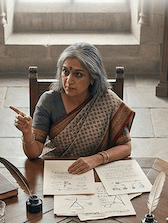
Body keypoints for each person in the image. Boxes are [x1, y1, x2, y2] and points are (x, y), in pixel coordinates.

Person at [13, 42, 135, 174]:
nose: (68, 80)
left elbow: (126, 147)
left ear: (92, 78)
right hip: (58, 172)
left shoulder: (107, 101)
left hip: (97, 170)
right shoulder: (49, 101)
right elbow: (34, 154)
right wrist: (26, 133)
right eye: (65, 72)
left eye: (78, 74)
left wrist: (95, 160)